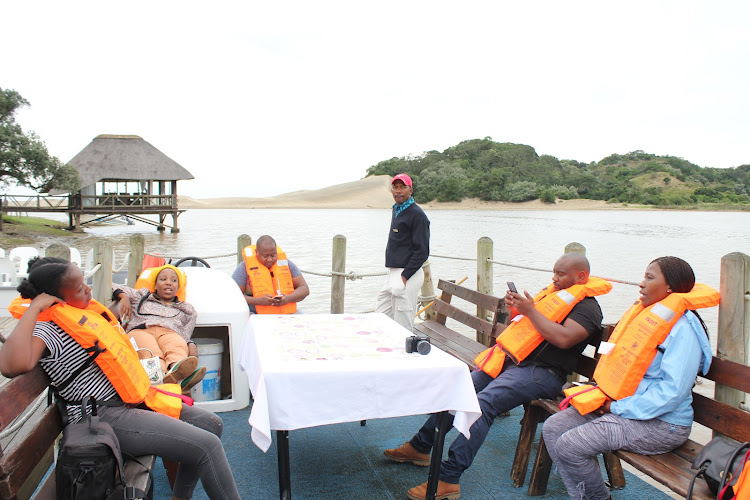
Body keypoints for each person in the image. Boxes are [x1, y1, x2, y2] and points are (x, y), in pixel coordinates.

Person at [0, 257, 242, 500]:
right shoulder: (47, 329)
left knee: (211, 424)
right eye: (79, 288)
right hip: (100, 417)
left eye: (85, 282)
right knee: (206, 446)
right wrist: (34, 308)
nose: (88, 289)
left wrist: (123, 298)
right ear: (56, 298)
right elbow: (10, 366)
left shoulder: (81, 315)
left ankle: (180, 497)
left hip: (126, 403)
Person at [384, 253, 609, 500]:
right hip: (513, 362)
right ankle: (421, 446)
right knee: (460, 388)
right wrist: (519, 310)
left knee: (483, 404)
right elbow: (531, 327)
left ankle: (448, 479)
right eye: (554, 272)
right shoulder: (554, 296)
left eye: (560, 274)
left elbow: (564, 339)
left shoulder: (588, 308)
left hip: (544, 374)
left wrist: (531, 311)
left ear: (581, 276)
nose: (554, 278)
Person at [543, 256, 718, 500]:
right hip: (627, 409)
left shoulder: (684, 330)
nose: (641, 284)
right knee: (553, 428)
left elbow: (672, 392)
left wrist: (615, 407)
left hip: (663, 424)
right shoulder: (649, 316)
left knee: (571, 444)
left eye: (649, 278)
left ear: (670, 287)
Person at [111, 264, 205, 395]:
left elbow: (185, 334)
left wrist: (190, 344)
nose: (168, 283)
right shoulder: (141, 297)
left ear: (178, 287)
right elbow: (112, 285)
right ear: (155, 285)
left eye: (173, 280)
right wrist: (123, 296)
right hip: (141, 330)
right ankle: (168, 379)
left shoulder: (187, 310)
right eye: (163, 279)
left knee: (177, 345)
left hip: (170, 332)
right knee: (151, 352)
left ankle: (177, 369)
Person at [375, 173, 430, 331]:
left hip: (408, 274)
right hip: (392, 272)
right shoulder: (397, 210)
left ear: (410, 190)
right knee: (381, 315)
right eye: (395, 187)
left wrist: (404, 277)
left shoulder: (418, 215)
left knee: (403, 323)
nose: (398, 191)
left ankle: (405, 353)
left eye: (403, 187)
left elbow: (422, 252)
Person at [231, 234, 309, 314]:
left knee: (304, 317)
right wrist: (259, 301)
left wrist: (287, 298)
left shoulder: (286, 264)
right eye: (265, 256)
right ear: (256, 252)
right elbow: (233, 296)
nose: (269, 259)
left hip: (286, 311)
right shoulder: (244, 268)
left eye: (273, 255)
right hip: (254, 313)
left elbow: (304, 289)